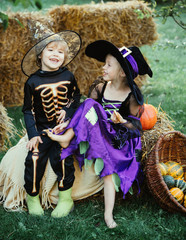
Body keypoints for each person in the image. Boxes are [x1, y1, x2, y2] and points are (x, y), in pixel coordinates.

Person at [45, 40, 153, 228]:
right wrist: (67, 124)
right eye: (104, 63)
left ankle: (108, 215)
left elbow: (137, 128)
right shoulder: (100, 87)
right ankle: (67, 137)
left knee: (109, 172)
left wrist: (123, 122)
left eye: (108, 65)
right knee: (89, 104)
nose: (103, 67)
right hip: (100, 131)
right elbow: (86, 113)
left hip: (118, 139)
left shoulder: (132, 96)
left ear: (121, 72)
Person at [21, 23, 82, 217]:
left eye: (61, 52)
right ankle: (32, 197)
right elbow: (28, 110)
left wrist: (67, 110)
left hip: (62, 129)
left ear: (65, 57)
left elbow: (76, 98)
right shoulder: (32, 82)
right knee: (34, 158)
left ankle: (65, 198)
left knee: (63, 157)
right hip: (42, 130)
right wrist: (32, 134)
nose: (56, 54)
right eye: (51, 50)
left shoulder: (68, 76)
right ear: (40, 55)